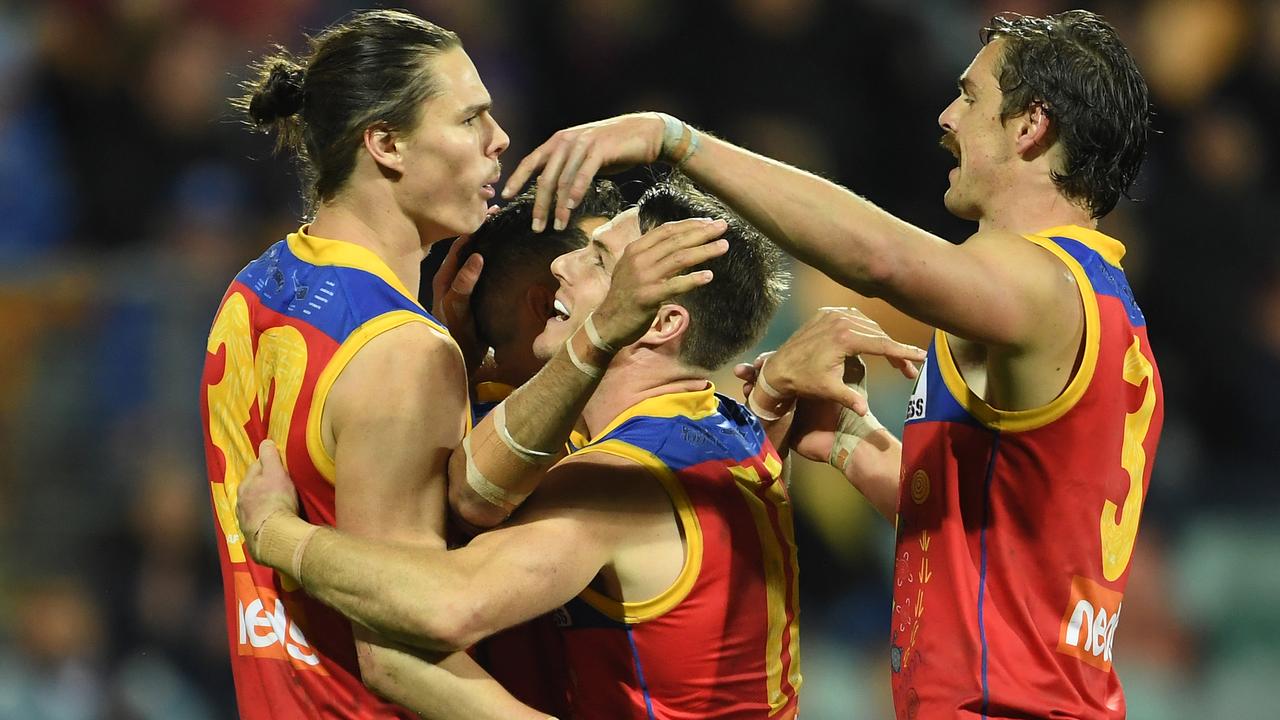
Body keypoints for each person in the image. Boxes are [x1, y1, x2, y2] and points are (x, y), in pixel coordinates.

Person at [503, 10, 1164, 719]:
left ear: (1031, 126)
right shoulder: (1107, 311)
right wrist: (854, 446)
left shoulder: (1040, 285)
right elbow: (988, 540)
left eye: (972, 98)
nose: (947, 117)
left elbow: (880, 258)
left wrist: (679, 142)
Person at [201, 9, 727, 718]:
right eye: (470, 119)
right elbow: (400, 651)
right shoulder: (403, 354)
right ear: (386, 143)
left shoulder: (253, 289)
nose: (499, 140)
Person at [236, 178, 924, 717]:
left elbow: (448, 607)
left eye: (599, 261)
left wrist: (277, 535)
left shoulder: (619, 483)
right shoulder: (721, 421)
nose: (563, 266)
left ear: (661, 323)